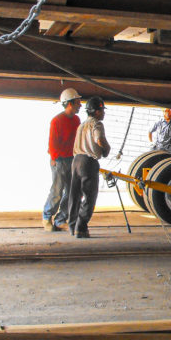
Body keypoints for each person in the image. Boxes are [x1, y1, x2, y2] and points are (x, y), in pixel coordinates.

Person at [66, 96, 111, 239]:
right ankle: (81, 227)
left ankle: (73, 226)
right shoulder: (96, 124)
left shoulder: (82, 125)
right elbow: (99, 139)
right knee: (90, 197)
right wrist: (106, 149)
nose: (103, 113)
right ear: (97, 112)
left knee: (75, 195)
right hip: (88, 163)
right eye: (102, 110)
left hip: (76, 161)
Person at [42, 88, 81, 232]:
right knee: (57, 190)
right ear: (69, 103)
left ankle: (60, 220)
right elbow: (52, 143)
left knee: (72, 191)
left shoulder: (76, 120)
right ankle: (47, 217)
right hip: (58, 160)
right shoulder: (57, 121)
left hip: (72, 159)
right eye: (77, 102)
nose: (80, 105)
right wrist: (54, 159)